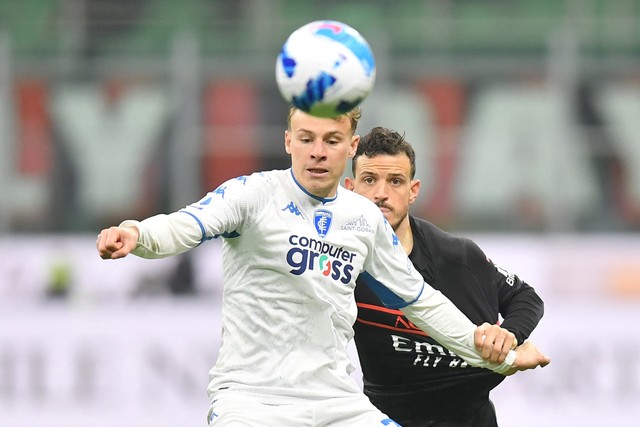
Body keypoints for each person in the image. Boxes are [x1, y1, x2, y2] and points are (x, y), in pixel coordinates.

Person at [96, 107, 550, 427]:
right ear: (288, 140)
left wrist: (502, 354)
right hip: (253, 401)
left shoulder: (363, 220)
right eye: (307, 139)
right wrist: (138, 235)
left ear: (349, 146)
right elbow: (189, 224)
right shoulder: (254, 195)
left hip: (336, 400)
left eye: (331, 141)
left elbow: (421, 301)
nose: (317, 152)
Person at [344, 126, 546, 427]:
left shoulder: (457, 256)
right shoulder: (341, 263)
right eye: (369, 180)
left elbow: (525, 296)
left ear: (413, 191)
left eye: (395, 181)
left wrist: (510, 334)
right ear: (350, 188)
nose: (381, 194)